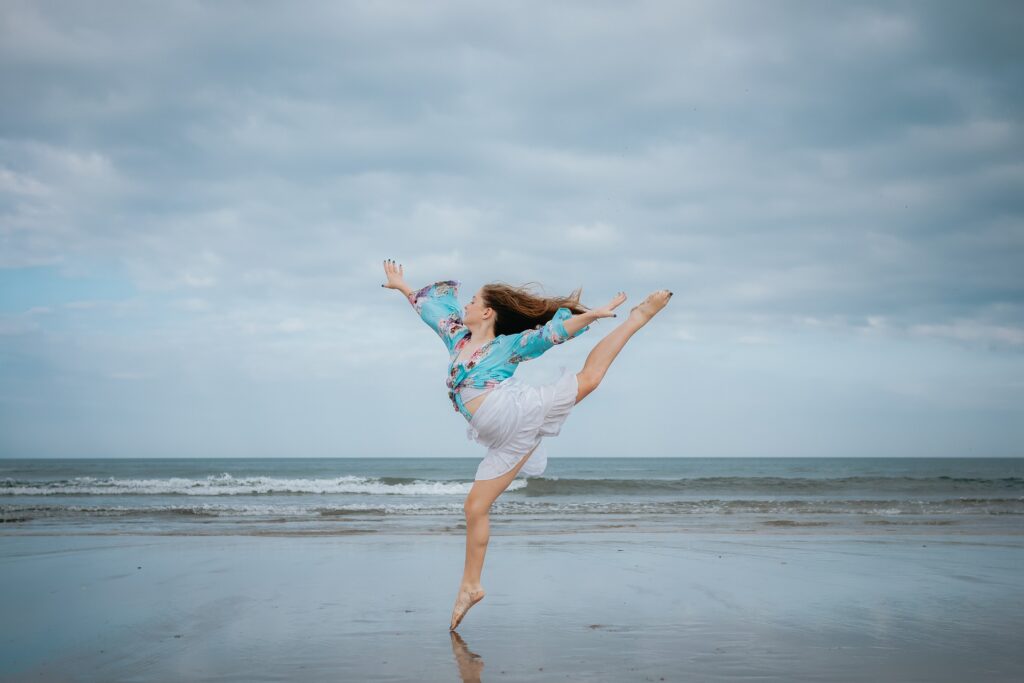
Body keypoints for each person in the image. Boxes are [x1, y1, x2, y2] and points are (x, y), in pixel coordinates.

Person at [381, 259, 672, 630]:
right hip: (501, 441)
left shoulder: (508, 346)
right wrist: (403, 286)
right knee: (474, 508)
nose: (465, 304)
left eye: (472, 300)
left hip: (518, 413)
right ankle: (470, 586)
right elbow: (429, 310)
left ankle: (637, 319)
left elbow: (552, 335)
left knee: (590, 379)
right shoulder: (456, 336)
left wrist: (592, 316)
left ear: (487, 312)